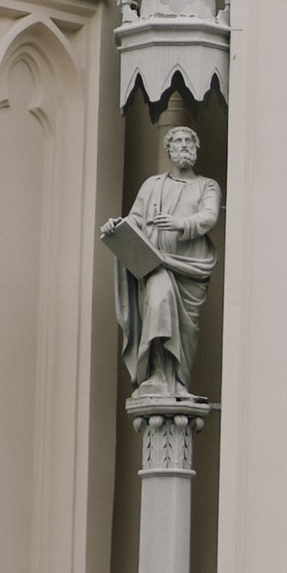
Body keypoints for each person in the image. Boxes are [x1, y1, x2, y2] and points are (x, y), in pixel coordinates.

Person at [101, 124, 221, 394]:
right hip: (156, 264)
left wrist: (179, 223)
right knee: (158, 302)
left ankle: (178, 381)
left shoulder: (207, 186)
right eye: (177, 141)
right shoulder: (152, 185)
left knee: (186, 332)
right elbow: (135, 220)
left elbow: (209, 216)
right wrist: (115, 226)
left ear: (196, 148)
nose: (184, 145)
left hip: (191, 270)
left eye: (189, 141)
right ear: (168, 149)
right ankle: (156, 373)